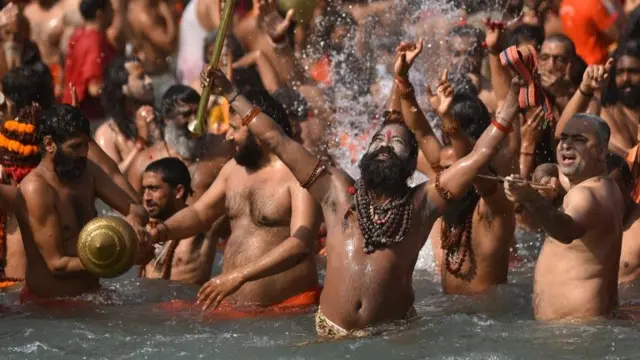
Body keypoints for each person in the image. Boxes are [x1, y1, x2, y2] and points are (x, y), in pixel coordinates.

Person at [193, 39, 522, 336]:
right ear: (365, 155)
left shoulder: (423, 203)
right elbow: (276, 139)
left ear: (411, 165)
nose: (385, 145)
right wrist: (230, 93)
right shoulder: (334, 190)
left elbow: (481, 154)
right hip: (330, 337)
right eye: (379, 140)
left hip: (393, 338)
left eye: (396, 144)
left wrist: (512, 100)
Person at [148, 88, 322, 314]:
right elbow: (200, 214)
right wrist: (161, 232)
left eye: (234, 128)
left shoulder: (299, 174)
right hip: (232, 306)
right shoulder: (233, 169)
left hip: (288, 310)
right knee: (154, 315)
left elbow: (300, 244)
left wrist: (238, 276)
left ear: (259, 129)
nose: (227, 137)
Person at [17, 104, 149, 301]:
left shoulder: (88, 172)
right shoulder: (36, 188)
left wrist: (134, 223)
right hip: (49, 308)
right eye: (75, 147)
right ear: (49, 144)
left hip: (92, 297)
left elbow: (136, 209)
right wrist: (122, 257)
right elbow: (56, 264)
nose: (83, 153)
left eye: (85, 145)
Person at [505, 113, 623, 321]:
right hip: (579, 330)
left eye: (579, 140)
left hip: (577, 332)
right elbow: (548, 168)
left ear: (602, 151)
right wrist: (544, 179)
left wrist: (530, 197)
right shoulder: (599, 183)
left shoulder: (587, 194)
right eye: (563, 138)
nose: (566, 145)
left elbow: (565, 230)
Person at [419, 86, 516, 295]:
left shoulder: (493, 212)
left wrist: (446, 117)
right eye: (445, 171)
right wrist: (403, 81)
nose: (448, 178)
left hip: (489, 322)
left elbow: (476, 169)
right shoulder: (449, 209)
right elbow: (422, 132)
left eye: (456, 170)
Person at [126, 85, 233, 200]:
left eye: (198, 113)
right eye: (186, 114)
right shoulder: (144, 163)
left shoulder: (223, 149)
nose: (194, 121)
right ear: (167, 119)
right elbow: (132, 211)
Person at [139, 158, 215, 285]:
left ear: (178, 191)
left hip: (185, 303)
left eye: (153, 189)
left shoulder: (204, 229)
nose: (146, 197)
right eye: (144, 190)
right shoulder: (143, 227)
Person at [94, 56, 157, 172]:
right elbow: (111, 179)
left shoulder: (159, 119)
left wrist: (156, 132)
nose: (149, 81)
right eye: (141, 77)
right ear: (123, 88)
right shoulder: (107, 133)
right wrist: (141, 142)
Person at [61, 0, 115, 121]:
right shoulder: (95, 41)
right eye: (111, 9)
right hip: (88, 117)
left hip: (69, 110)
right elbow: (94, 89)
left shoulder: (78, 35)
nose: (114, 13)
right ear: (100, 13)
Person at [126, 0, 177, 108]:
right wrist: (167, 12)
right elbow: (169, 42)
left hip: (161, 73)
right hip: (155, 78)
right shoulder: (143, 13)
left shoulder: (149, 5)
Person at [600, 40, 640, 153]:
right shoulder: (609, 112)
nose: (626, 78)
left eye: (634, 71)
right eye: (620, 72)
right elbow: (628, 157)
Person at [447, 24, 496, 113]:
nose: (463, 60)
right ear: (449, 57)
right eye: (457, 54)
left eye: (470, 54)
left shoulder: (493, 93)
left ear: (482, 54)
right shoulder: (439, 90)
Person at [559, 0, 624, 65]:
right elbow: (615, 35)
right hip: (596, 63)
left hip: (575, 61)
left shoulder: (564, 3)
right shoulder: (592, 3)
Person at [24, 0, 66, 98]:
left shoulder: (61, 12)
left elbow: (66, 50)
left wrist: (61, 81)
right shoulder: (27, 12)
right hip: (31, 70)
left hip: (54, 70)